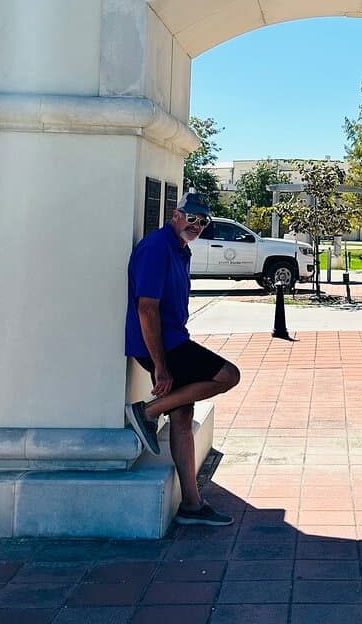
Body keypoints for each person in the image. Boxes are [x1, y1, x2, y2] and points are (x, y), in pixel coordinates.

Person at [124, 192, 240, 527]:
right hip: (161, 345)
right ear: (176, 215)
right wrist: (160, 365)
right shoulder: (157, 248)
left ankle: (191, 504)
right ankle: (147, 411)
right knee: (228, 375)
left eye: (203, 221)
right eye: (192, 218)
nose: (197, 225)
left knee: (184, 414)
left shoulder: (180, 248)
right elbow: (147, 308)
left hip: (174, 339)